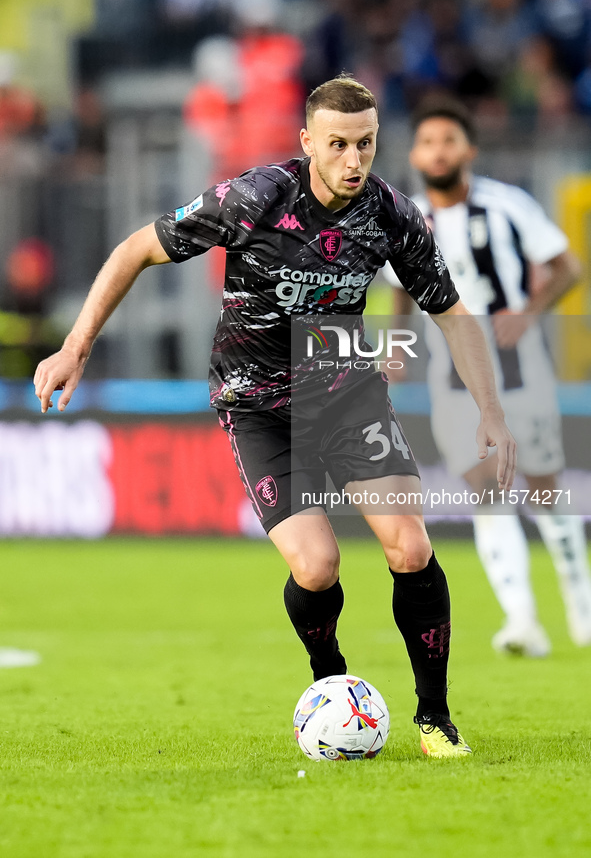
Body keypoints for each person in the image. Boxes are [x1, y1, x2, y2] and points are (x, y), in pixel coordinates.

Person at [34, 76, 516, 758]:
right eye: (339, 145)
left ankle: (434, 717)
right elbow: (135, 248)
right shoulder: (254, 198)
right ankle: (330, 685)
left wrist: (489, 411)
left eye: (366, 144)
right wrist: (74, 346)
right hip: (255, 404)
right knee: (317, 566)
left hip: (346, 393)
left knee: (408, 545)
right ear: (308, 143)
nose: (354, 160)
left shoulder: (391, 215)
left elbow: (452, 313)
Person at [390, 96, 591, 657]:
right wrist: (397, 353)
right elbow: (398, 290)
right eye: (428, 142)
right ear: (416, 153)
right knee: (487, 490)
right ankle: (522, 619)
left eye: (448, 141)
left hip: (519, 367)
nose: (438, 152)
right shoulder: (406, 218)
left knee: (545, 485)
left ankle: (581, 603)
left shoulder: (507, 205)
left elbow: (567, 266)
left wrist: (528, 311)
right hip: (451, 376)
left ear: (469, 150)